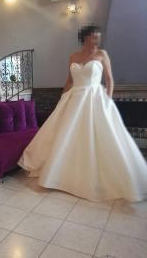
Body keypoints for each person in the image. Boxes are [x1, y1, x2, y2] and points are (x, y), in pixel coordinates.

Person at [18, 24, 147, 202]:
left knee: (95, 136)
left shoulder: (102, 55)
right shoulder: (73, 56)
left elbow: (109, 79)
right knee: (66, 135)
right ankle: (60, 173)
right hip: (74, 98)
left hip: (94, 98)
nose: (96, 39)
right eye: (93, 36)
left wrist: (108, 100)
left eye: (98, 36)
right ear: (85, 37)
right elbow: (69, 80)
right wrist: (62, 99)